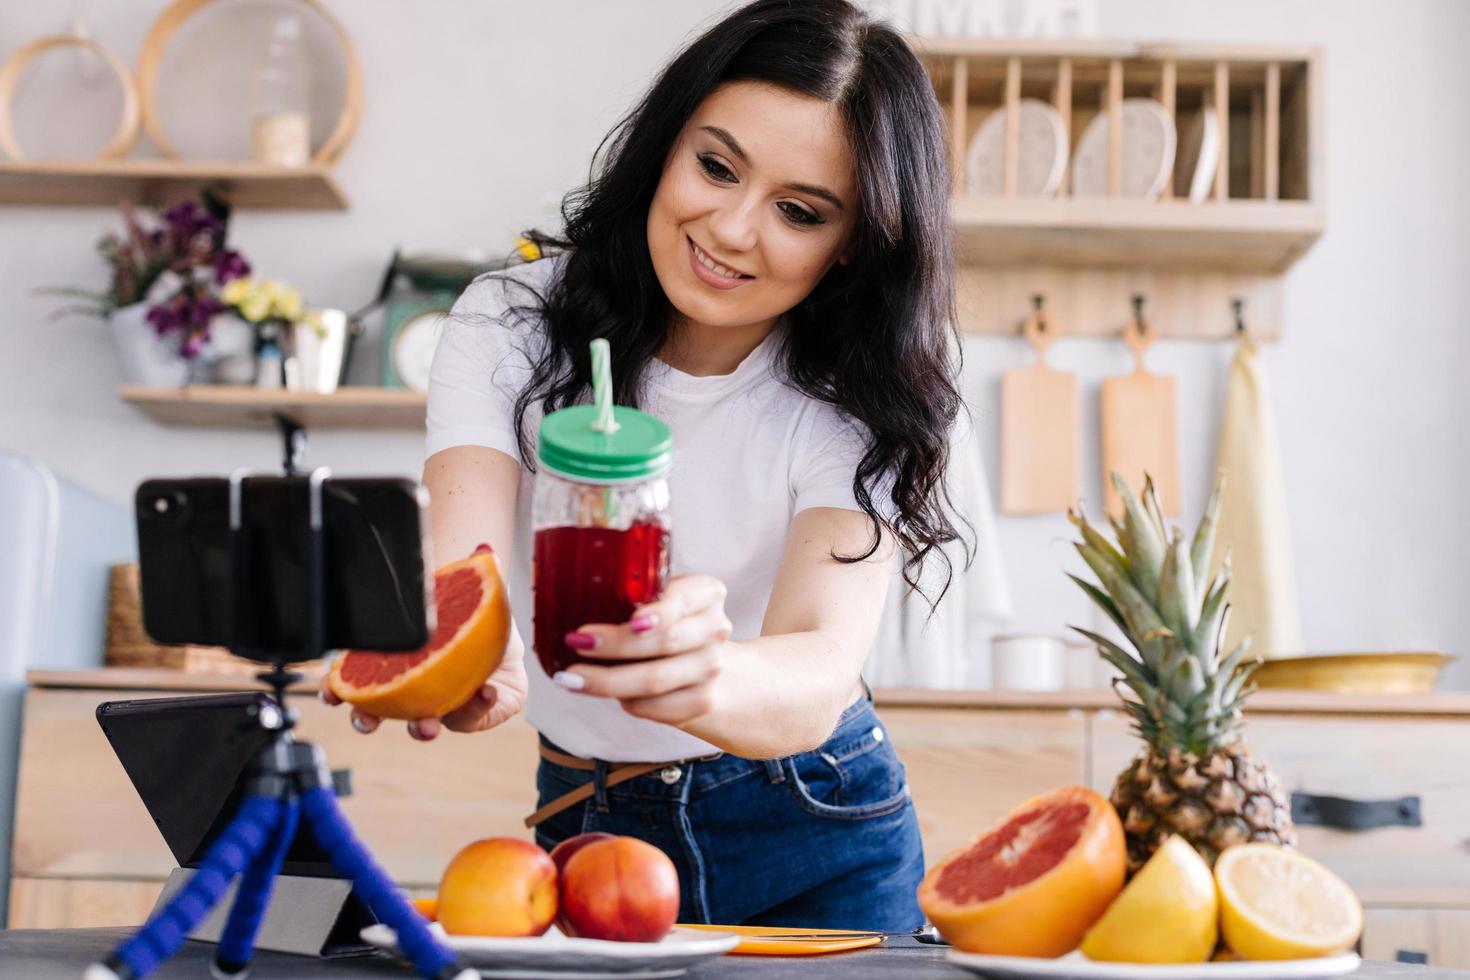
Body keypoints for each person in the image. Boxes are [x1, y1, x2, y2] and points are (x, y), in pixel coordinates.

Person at [325, 0, 964, 931]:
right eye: (715, 166)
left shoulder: (859, 389)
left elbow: (820, 669)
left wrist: (706, 674)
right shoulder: (511, 319)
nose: (733, 228)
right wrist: (478, 659)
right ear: (666, 144)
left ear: (854, 242)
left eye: (798, 211)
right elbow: (468, 571)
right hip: (588, 825)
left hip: (817, 828)